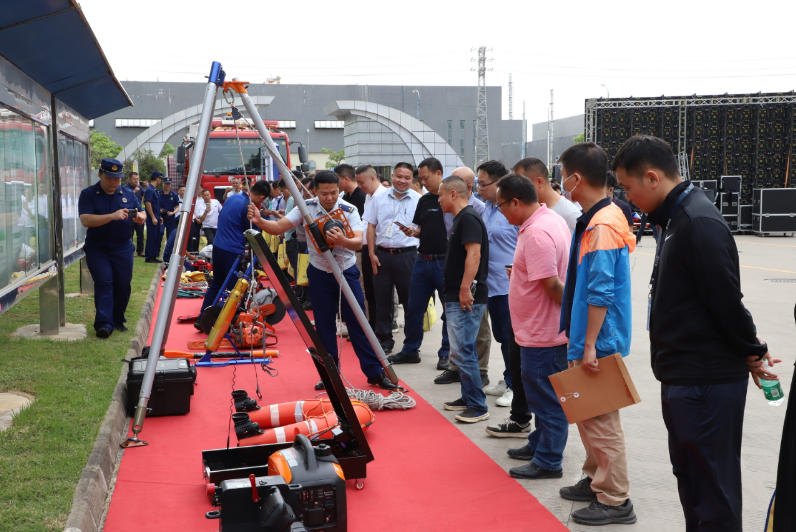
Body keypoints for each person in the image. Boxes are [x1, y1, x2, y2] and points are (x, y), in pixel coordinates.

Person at [614, 135, 779, 531]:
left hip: (705, 379)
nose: (627, 197)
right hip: (685, 374)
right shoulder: (675, 218)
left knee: (711, 488)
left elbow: (725, 300)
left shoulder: (697, 222)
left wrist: (752, 350)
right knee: (692, 479)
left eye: (627, 187)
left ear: (652, 177)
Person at [249, 170, 393, 390]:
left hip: (346, 271)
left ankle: (374, 371)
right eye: (324, 193)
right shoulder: (305, 207)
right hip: (318, 273)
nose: (329, 197)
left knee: (358, 322)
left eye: (334, 192)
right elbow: (278, 227)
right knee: (324, 326)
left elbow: (358, 242)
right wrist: (259, 221)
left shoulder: (349, 209)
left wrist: (342, 240)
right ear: (315, 191)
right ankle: (330, 374)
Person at [557, 142, 637, 526]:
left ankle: (615, 498)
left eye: (562, 176)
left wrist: (589, 344)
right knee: (589, 415)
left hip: (598, 340)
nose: (561, 183)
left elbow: (601, 292)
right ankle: (594, 479)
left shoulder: (603, 225)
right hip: (591, 335)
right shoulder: (600, 216)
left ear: (576, 178)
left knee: (601, 421)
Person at [495, 174, 571, 479]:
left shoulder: (537, 232)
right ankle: (539, 444)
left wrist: (573, 315)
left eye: (501, 206)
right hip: (540, 328)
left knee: (546, 399)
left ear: (515, 202)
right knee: (540, 396)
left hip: (543, 332)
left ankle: (549, 461)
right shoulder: (548, 219)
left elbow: (553, 286)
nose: (501, 212)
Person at [438, 176, 490, 423]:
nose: (438, 200)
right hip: (457, 294)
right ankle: (468, 397)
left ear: (453, 194)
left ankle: (478, 405)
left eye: (441, 195)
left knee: (464, 350)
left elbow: (474, 254)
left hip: (466, 296)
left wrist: (465, 287)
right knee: (459, 351)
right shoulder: (461, 218)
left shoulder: (468, 218)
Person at [390, 157, 450, 370]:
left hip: (444, 262)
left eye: (426, 178)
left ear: (439, 174)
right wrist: (412, 232)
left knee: (449, 311)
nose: (423, 182)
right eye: (421, 179)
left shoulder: (451, 198)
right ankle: (410, 350)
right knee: (414, 308)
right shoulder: (424, 201)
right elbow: (421, 229)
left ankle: (446, 353)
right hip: (422, 261)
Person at [78, 159, 146, 338]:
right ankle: (104, 324)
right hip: (98, 248)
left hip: (122, 247)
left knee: (123, 284)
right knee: (105, 281)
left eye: (117, 178)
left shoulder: (128, 194)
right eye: (109, 178)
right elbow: (85, 219)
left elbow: (141, 211)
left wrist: (141, 217)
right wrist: (112, 216)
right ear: (100, 174)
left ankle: (117, 319)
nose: (114, 182)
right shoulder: (89, 194)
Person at [195, 180, 271, 327]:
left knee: (217, 283)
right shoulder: (248, 207)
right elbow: (254, 230)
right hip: (231, 250)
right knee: (236, 288)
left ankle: (202, 318)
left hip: (218, 245)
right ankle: (236, 320)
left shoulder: (232, 198)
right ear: (262, 197)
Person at [472, 161, 516, 411]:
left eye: (483, 183)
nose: (479, 188)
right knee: (501, 337)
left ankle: (515, 386)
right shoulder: (486, 208)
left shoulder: (512, 209)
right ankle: (508, 378)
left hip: (511, 285)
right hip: (492, 284)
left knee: (512, 338)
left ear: (498, 183)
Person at [364, 162, 420, 354]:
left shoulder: (418, 199)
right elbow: (371, 226)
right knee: (382, 301)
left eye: (407, 178)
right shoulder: (378, 198)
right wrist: (372, 253)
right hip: (382, 256)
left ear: (412, 180)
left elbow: (423, 227)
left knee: (410, 301)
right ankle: (384, 340)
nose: (402, 181)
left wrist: (415, 231)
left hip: (408, 256)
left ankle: (411, 345)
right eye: (399, 176)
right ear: (393, 176)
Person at [355, 165, 386, 328]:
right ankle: (372, 327)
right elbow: (366, 224)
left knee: (380, 292)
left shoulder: (384, 196)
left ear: (372, 178)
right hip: (366, 249)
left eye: (362, 182)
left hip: (378, 250)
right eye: (358, 183)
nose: (360, 186)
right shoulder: (368, 197)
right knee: (369, 291)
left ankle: (381, 329)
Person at [514, 158, 581, 234]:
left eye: (521, 185)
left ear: (539, 182)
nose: (517, 190)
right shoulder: (529, 210)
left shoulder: (570, 214)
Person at [144, 172, 164, 263]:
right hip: (152, 218)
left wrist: (159, 216)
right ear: (157, 179)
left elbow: (156, 205)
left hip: (156, 216)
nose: (160, 181)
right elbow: (148, 203)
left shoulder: (154, 189)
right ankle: (149, 257)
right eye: (160, 179)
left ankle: (153, 256)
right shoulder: (150, 190)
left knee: (156, 237)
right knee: (151, 237)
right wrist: (153, 217)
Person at [124, 172, 145, 256]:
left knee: (140, 233)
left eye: (137, 179)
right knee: (130, 233)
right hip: (129, 213)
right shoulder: (125, 188)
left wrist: (147, 187)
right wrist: (134, 191)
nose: (136, 181)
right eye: (134, 179)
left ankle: (140, 251)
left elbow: (145, 194)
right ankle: (131, 251)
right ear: (129, 178)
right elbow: (125, 198)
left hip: (139, 213)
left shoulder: (139, 187)